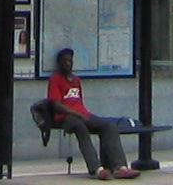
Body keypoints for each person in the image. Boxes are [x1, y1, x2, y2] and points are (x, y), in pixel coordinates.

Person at [45, 47, 134, 179]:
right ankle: (96, 168)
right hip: (66, 118)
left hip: (83, 114)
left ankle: (119, 167)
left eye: (70, 61)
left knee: (109, 127)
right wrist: (78, 115)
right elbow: (57, 105)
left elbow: (79, 102)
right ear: (59, 63)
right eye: (65, 61)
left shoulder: (76, 80)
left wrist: (84, 115)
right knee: (81, 128)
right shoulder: (55, 79)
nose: (68, 64)